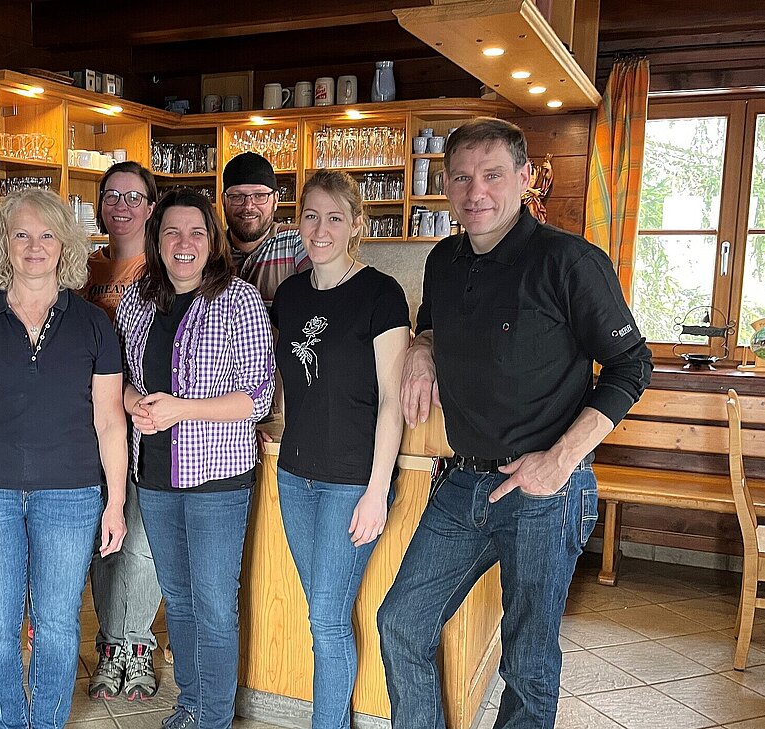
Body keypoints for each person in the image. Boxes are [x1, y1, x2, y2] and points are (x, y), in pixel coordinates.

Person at [377, 118, 652, 728]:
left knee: (527, 658)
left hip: (543, 491)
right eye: (462, 178)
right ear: (445, 185)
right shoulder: (444, 261)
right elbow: (432, 322)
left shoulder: (569, 261)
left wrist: (560, 461)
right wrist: (422, 348)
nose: (477, 192)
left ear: (524, 178)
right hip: (463, 483)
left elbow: (633, 364)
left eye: (493, 175)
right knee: (400, 621)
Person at [0, 188, 128, 729]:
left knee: (58, 623)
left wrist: (115, 503)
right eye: (21, 234)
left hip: (71, 496)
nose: (35, 246)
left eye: (47, 235)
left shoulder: (94, 324)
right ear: (3, 244)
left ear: (65, 244)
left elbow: (111, 420)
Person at [117, 188, 275, 729]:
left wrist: (181, 408)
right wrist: (134, 401)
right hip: (156, 473)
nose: (184, 244)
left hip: (217, 480)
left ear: (212, 241)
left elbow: (258, 397)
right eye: (172, 233)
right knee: (178, 601)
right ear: (156, 240)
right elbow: (117, 380)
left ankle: (213, 717)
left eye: (196, 233)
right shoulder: (137, 300)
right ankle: (190, 703)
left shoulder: (238, 299)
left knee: (211, 605)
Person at [270, 170, 408, 729]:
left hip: (352, 482)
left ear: (355, 225)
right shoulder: (290, 294)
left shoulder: (381, 293)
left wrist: (377, 492)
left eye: (333, 217)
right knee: (321, 614)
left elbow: (392, 403)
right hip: (294, 476)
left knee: (327, 619)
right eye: (310, 215)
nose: (319, 228)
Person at [81, 161, 164, 701]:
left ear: (150, 207)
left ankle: (132, 644)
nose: (122, 205)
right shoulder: (83, 270)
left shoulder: (164, 271)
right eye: (113, 195)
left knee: (139, 540)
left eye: (134, 196)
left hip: (143, 426)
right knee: (98, 542)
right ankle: (110, 642)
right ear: (99, 204)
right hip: (81, 427)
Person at [221, 151, 309, 307]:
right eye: (237, 197)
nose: (248, 206)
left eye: (259, 195)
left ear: (275, 200)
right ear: (224, 200)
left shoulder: (297, 240)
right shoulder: (210, 248)